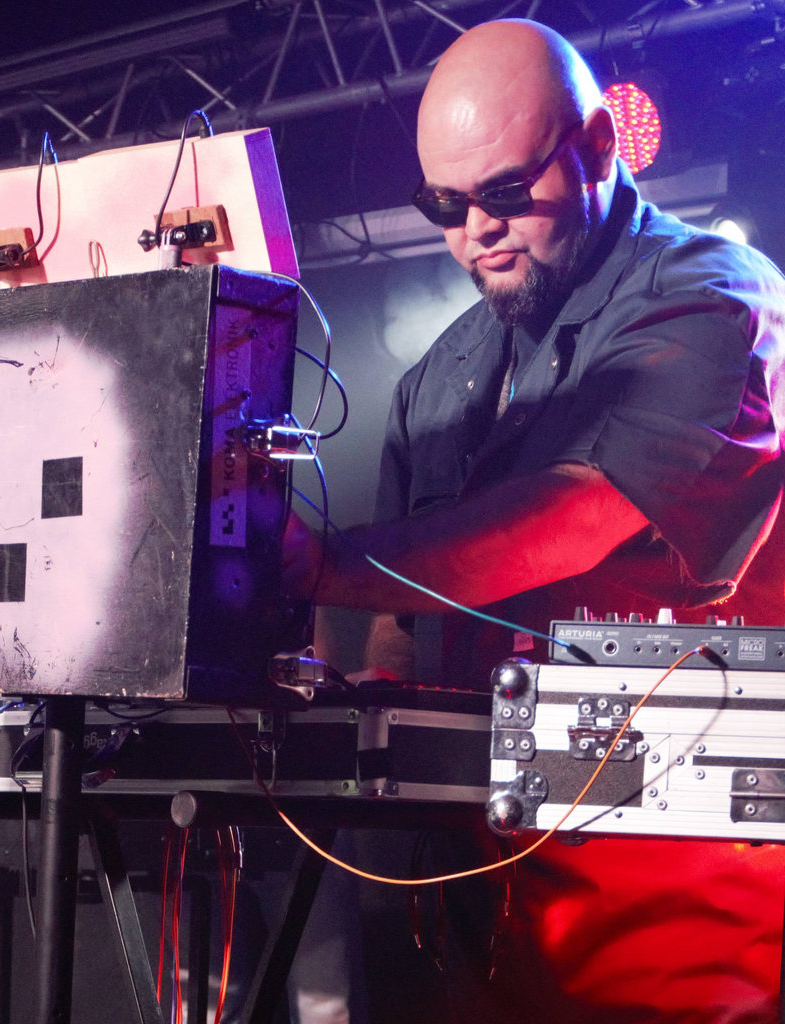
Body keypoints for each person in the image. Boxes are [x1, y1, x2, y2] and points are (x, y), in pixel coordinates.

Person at [282, 18, 785, 1024]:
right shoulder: (438, 377)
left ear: (597, 145)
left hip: (664, 906)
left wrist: (306, 562)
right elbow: (390, 632)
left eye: (506, 193)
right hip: (474, 896)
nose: (476, 228)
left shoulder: (713, 301)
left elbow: (569, 515)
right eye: (445, 205)